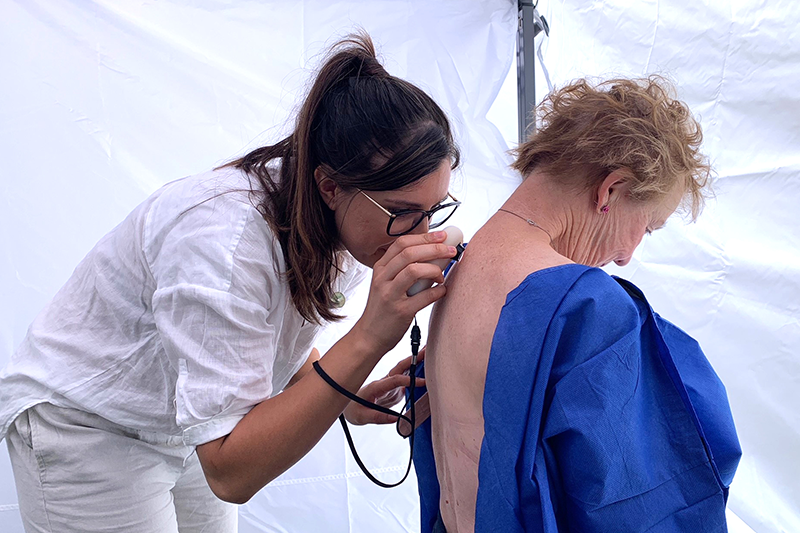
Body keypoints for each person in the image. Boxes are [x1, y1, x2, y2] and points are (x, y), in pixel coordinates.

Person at [0, 32, 463, 532]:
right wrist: (371, 334)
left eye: (433, 211)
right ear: (330, 186)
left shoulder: (346, 227)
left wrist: (348, 397)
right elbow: (231, 473)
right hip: (88, 422)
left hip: (186, 417)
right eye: (402, 213)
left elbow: (262, 344)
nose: (420, 234)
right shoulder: (222, 243)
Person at [413, 76, 742, 532]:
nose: (627, 256)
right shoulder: (584, 307)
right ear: (610, 189)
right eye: (645, 227)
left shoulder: (456, 270)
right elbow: (645, 503)